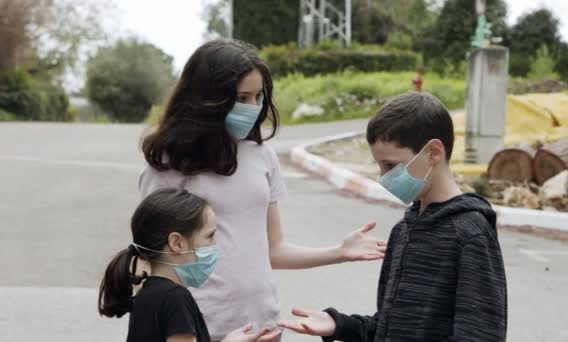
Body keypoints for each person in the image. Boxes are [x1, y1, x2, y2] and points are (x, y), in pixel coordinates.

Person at [139, 39, 387, 341]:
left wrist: (339, 253)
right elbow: (156, 262)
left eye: (258, 97)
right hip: (197, 330)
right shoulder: (167, 165)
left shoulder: (261, 156)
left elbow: (274, 250)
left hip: (262, 325)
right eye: (242, 97)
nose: (253, 108)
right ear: (207, 98)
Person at [278, 92, 508, 342]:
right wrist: (340, 325)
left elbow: (481, 335)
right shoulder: (404, 231)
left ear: (433, 152)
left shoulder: (470, 233)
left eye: (390, 166)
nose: (383, 177)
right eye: (379, 166)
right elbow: (387, 328)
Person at [98, 188, 281, 342]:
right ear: (177, 243)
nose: (214, 245)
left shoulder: (147, 293)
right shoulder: (176, 299)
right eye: (209, 236)